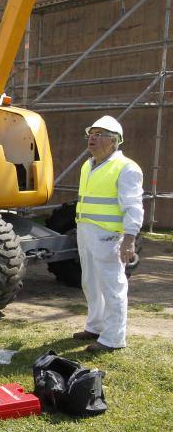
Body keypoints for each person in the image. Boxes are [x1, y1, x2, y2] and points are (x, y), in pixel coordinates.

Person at [73, 116, 144, 352]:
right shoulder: (88, 165)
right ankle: (95, 326)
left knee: (112, 286)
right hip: (85, 232)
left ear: (114, 141)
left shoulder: (127, 168)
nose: (92, 137)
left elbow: (134, 206)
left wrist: (129, 239)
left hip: (108, 236)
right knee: (90, 283)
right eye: (91, 133)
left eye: (99, 134)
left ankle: (113, 338)